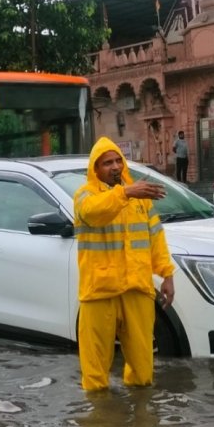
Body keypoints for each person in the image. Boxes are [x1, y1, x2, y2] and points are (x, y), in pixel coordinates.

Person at [73, 137, 175, 392]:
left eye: (118, 160)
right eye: (107, 163)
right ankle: (99, 423)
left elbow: (156, 237)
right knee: (95, 374)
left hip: (136, 288)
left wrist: (167, 274)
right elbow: (94, 213)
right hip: (99, 291)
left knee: (143, 371)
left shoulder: (140, 199)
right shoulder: (85, 195)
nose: (115, 166)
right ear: (95, 169)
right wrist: (126, 192)